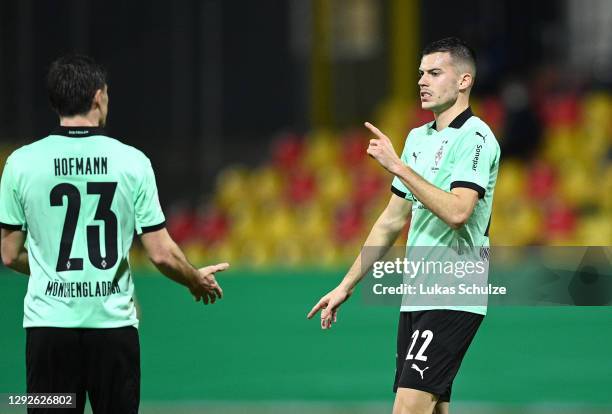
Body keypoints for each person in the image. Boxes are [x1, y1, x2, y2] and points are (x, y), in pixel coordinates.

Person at [0, 54, 228, 414]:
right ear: (97, 96)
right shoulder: (132, 162)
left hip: (47, 333)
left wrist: (53, 271)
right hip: (112, 330)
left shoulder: (20, 164)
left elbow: (9, 254)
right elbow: (161, 253)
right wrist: (194, 280)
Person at [308, 37, 500, 414]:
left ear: (463, 81)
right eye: (420, 74)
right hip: (418, 293)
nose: (422, 81)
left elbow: (460, 211)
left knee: (406, 410)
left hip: (454, 291)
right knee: (433, 408)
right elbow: (391, 220)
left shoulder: (476, 137)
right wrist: (346, 286)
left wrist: (398, 167)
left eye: (434, 72)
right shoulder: (417, 139)